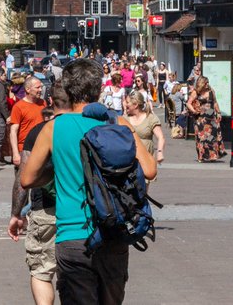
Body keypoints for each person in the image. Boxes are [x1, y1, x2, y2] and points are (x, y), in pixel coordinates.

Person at [20, 58, 157, 305]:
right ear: (99, 89)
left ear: (68, 90)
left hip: (72, 235)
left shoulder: (54, 128)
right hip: (113, 230)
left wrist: (58, 171)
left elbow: (27, 178)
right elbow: (149, 169)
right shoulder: (117, 123)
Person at [9, 84, 70, 305]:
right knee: (74, 274)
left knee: (42, 272)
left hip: (46, 208)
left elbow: (24, 177)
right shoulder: (88, 127)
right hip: (79, 210)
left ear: (51, 102)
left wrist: (16, 213)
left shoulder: (40, 131)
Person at [9, 77, 47, 168]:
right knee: (22, 180)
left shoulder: (44, 103)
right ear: (28, 89)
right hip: (25, 150)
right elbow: (13, 131)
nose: (40, 90)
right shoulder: (18, 107)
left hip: (41, 148)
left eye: (41, 87)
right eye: (37, 87)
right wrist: (15, 153)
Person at [187, 76, 224, 162]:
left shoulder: (211, 91)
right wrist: (194, 111)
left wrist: (218, 112)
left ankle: (212, 155)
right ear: (201, 84)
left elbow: (215, 102)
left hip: (211, 116)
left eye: (208, 82)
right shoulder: (196, 92)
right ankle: (201, 156)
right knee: (201, 137)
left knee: (212, 136)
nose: (207, 84)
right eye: (206, 83)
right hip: (200, 117)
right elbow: (188, 103)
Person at [124, 91, 165, 163]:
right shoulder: (124, 119)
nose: (125, 104)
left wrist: (159, 152)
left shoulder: (150, 118)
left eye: (127, 102)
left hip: (146, 159)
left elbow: (161, 137)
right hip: (129, 160)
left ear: (135, 105)